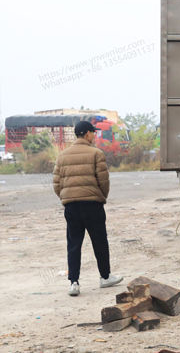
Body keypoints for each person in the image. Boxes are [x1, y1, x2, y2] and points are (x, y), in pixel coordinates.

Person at [53, 120, 124, 296]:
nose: (94, 135)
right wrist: (101, 197)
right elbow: (104, 181)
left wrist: (66, 197)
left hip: (71, 206)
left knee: (74, 243)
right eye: (93, 132)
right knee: (99, 240)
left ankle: (74, 283)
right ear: (86, 133)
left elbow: (56, 183)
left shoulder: (63, 155)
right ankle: (105, 277)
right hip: (92, 204)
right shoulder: (96, 153)